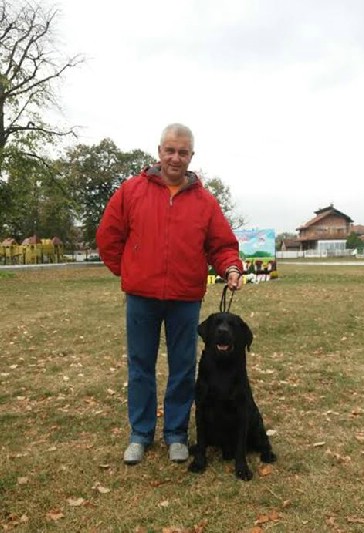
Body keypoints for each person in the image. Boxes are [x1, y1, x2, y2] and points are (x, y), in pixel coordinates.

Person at [96, 123, 243, 465]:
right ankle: (141, 434)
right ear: (159, 151)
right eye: (170, 150)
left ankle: (176, 434)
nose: (175, 158)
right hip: (141, 297)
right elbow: (108, 236)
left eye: (183, 152)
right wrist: (129, 270)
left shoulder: (205, 202)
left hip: (185, 298)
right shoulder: (131, 191)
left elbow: (221, 245)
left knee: (182, 367)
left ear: (191, 156)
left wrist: (231, 268)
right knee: (140, 366)